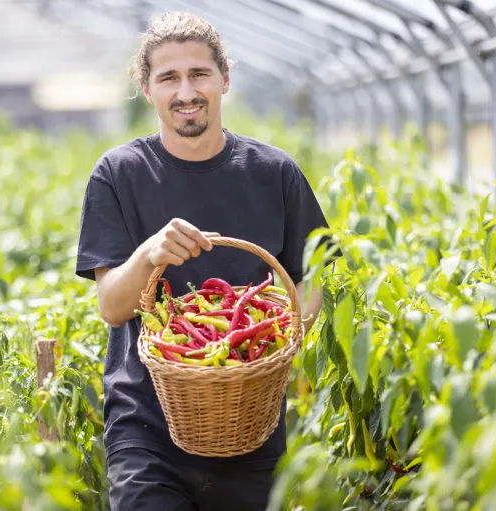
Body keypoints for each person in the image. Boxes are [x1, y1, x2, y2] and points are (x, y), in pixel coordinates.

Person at [75, 11, 340, 511]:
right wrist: (149, 253)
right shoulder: (119, 174)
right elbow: (112, 307)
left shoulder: (274, 172)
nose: (186, 92)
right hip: (145, 427)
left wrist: (272, 344)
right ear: (147, 88)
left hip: (250, 422)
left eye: (199, 74)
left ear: (224, 79)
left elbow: (308, 282)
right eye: (168, 78)